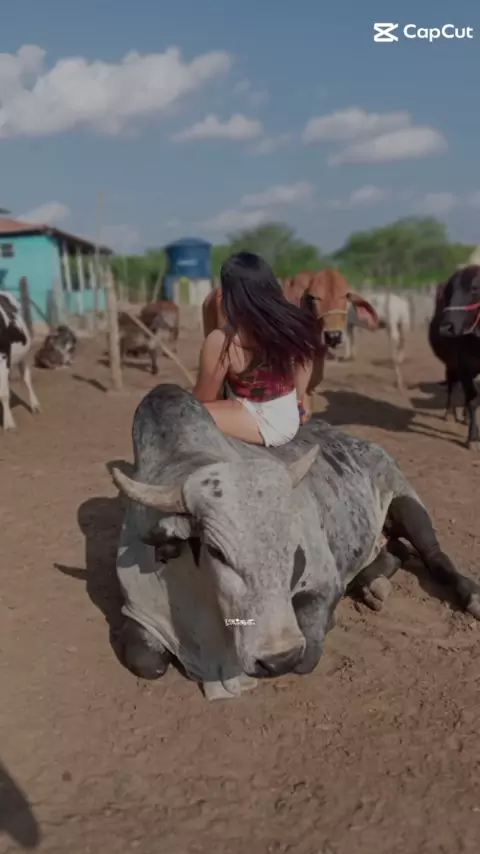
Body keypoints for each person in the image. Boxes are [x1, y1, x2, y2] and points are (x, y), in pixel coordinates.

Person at [192, 251, 322, 446]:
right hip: (286, 413)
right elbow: (306, 360)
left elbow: (204, 399)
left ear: (230, 294)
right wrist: (298, 398)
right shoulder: (291, 323)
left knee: (185, 414)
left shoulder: (222, 340)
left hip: (262, 421)